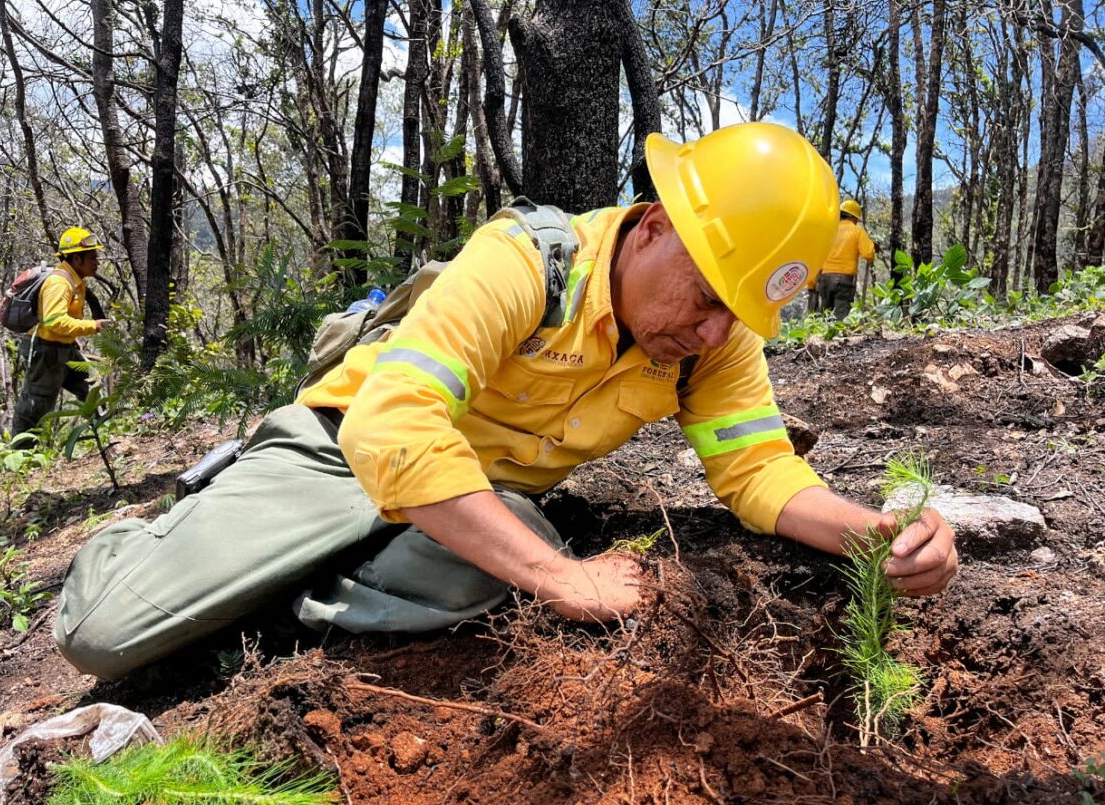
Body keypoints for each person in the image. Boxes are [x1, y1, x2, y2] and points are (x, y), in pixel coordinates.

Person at [53, 124, 957, 681]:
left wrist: (872, 534)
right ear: (649, 228)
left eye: (743, 312)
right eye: (712, 296)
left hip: (470, 501)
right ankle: (172, 540)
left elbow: (759, 472)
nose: (717, 332)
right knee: (103, 636)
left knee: (495, 560)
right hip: (341, 455)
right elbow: (392, 423)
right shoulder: (529, 262)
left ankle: (268, 591)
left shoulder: (710, 348)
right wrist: (564, 580)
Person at [11, 227, 108, 440]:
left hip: (65, 349)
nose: (96, 261)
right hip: (46, 352)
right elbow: (54, 321)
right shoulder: (59, 283)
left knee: (92, 385)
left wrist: (73, 340)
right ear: (76, 259)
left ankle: (106, 436)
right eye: (92, 257)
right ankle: (20, 458)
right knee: (35, 406)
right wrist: (94, 326)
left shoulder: (74, 281)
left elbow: (63, 320)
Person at [813, 199, 876, 320]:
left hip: (824, 277)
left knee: (824, 315)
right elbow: (868, 254)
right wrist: (873, 247)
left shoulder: (829, 230)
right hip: (844, 280)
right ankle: (838, 337)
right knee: (840, 317)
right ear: (853, 217)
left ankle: (822, 338)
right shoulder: (857, 231)